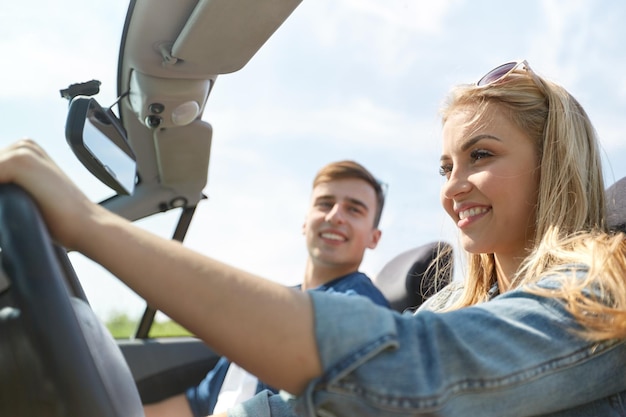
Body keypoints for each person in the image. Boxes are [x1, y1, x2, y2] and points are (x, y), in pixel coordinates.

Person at [3, 59, 626, 416]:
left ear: (554, 165)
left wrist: (91, 226)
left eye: (480, 154)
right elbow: (305, 409)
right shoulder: (451, 305)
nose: (453, 186)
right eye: (445, 167)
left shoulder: (603, 292)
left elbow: (415, 371)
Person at [143, 160, 391, 417]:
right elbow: (197, 402)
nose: (334, 216)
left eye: (354, 210)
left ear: (374, 237)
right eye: (325, 204)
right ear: (306, 222)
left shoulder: (361, 307)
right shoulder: (270, 307)